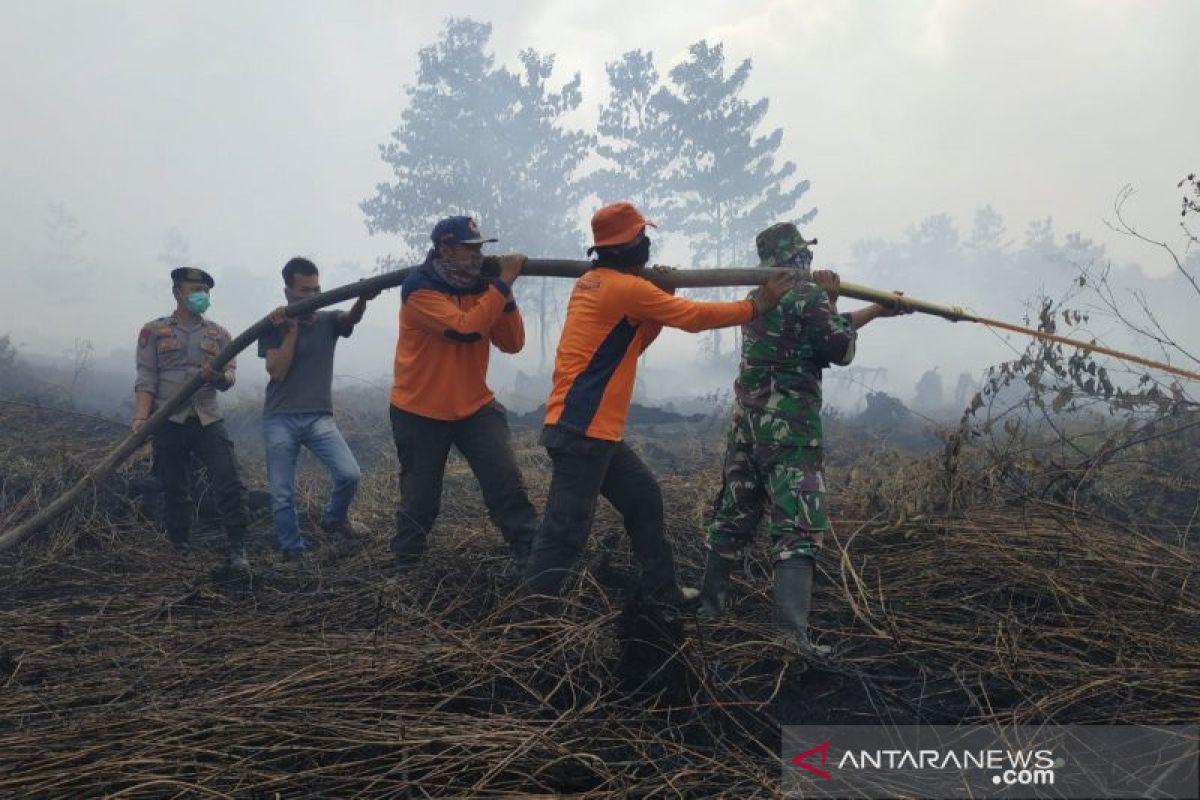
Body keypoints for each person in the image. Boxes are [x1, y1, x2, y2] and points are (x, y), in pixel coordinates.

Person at [522, 201, 793, 608]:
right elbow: (693, 317)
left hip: (591, 428)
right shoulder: (624, 288)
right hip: (582, 430)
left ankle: (660, 588)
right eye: (640, 237)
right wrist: (757, 306)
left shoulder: (592, 283)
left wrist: (660, 293)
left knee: (644, 497)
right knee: (565, 530)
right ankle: (531, 615)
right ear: (622, 245)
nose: (646, 243)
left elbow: (632, 344)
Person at [697, 222, 911, 655]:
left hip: (749, 429)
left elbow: (809, 334)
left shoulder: (761, 296)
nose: (809, 260)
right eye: (803, 254)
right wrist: (832, 298)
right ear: (795, 257)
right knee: (797, 525)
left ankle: (710, 610)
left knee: (733, 517)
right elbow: (839, 349)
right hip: (790, 432)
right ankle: (791, 638)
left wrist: (872, 312)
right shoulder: (810, 295)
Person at [389, 216, 539, 570]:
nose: (476, 256)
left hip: (475, 407)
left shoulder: (483, 288)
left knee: (507, 487)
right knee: (420, 500)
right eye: (468, 249)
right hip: (420, 411)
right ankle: (405, 568)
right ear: (445, 249)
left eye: (480, 248)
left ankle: (534, 557)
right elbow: (465, 329)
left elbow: (513, 343)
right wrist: (502, 284)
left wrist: (505, 293)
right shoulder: (420, 290)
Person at [257, 257, 378, 562]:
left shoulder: (328, 320)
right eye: (305, 291)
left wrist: (363, 298)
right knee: (283, 494)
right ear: (288, 292)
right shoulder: (273, 325)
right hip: (279, 419)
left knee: (349, 474)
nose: (313, 296)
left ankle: (334, 519)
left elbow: (350, 319)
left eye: (317, 289)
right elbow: (278, 371)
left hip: (318, 416)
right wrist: (292, 331)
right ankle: (292, 550)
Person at [133, 267, 250, 567]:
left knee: (228, 479)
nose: (201, 295)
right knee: (174, 486)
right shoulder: (153, 331)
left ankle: (238, 547)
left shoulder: (220, 334)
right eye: (195, 289)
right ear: (177, 292)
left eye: (205, 291)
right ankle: (180, 545)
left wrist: (219, 377)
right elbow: (146, 378)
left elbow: (231, 377)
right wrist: (141, 420)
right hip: (168, 421)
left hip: (208, 419)